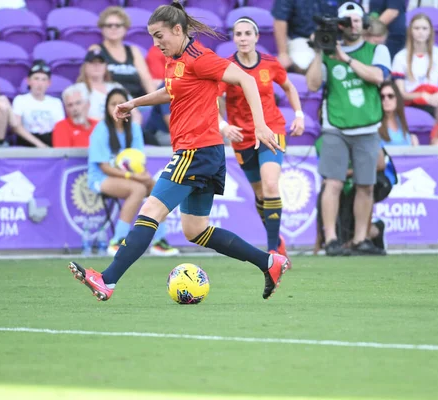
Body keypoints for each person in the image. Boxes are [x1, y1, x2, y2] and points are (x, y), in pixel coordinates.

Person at [67, 2, 289, 302]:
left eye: (160, 36)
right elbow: (170, 90)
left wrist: (261, 126)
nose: (156, 43)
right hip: (205, 152)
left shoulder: (200, 58)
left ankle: (107, 280)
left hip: (195, 150)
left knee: (150, 211)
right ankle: (269, 262)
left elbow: (247, 79)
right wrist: (134, 103)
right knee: (195, 230)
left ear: (177, 29)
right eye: (152, 37)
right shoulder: (176, 60)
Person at [306, 1, 390, 256]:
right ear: (340, 25)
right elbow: (311, 85)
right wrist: (320, 50)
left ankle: (360, 239)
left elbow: (378, 77)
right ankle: (331, 240)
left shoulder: (377, 50)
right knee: (333, 183)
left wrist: (345, 58)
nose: (353, 25)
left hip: (367, 127)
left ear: (364, 23)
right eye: (347, 21)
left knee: (366, 185)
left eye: (357, 20)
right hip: (336, 127)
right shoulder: (329, 51)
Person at [218, 16, 304, 260]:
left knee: (270, 185)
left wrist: (299, 115)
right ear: (234, 38)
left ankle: (273, 251)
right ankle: (277, 240)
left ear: (256, 37)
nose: (243, 38)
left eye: (248, 33)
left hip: (271, 130)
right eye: (238, 34)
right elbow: (215, 99)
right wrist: (223, 125)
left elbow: (289, 87)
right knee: (259, 194)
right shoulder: (227, 67)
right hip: (241, 136)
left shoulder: (270, 63)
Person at [87, 88, 179, 257]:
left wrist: (143, 175)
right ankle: (118, 240)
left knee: (159, 188)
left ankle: (159, 241)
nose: (117, 107)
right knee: (137, 189)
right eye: (113, 104)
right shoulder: (101, 129)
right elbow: (104, 167)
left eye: (120, 103)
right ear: (107, 107)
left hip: (131, 177)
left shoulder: (134, 129)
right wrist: (134, 176)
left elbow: (138, 160)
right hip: (101, 178)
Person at [391, 14, 438, 117]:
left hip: (435, 103)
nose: (420, 32)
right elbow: (401, 93)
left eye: (424, 28)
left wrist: (437, 95)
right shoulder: (400, 57)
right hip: (412, 105)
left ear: (430, 31)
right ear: (410, 31)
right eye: (416, 28)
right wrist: (422, 95)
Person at [271, 0, 352, 73]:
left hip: (335, 38)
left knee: (351, 62)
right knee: (303, 63)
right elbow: (280, 19)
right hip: (302, 39)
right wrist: (283, 53)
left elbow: (352, 14)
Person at [93, 6, 156, 98]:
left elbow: (146, 79)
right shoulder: (96, 49)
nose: (113, 28)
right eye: (109, 25)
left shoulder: (133, 51)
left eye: (118, 25)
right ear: (102, 28)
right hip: (110, 103)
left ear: (125, 29)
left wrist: (157, 103)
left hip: (137, 102)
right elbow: (94, 82)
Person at [72, 49, 141, 124]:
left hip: (121, 130)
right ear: (85, 66)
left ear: (105, 66)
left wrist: (133, 129)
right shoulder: (77, 90)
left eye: (100, 62)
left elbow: (135, 114)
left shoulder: (116, 86)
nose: (97, 66)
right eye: (92, 62)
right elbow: (78, 117)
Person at [12, 61, 64, 147]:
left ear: (49, 83)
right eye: (36, 79)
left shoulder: (56, 103)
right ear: (28, 81)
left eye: (44, 79)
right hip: (27, 142)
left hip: (50, 141)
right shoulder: (20, 100)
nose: (40, 83)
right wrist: (40, 145)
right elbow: (16, 127)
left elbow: (60, 128)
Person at [378, 80, 418, 146]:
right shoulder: (376, 124)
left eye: (390, 96)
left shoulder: (401, 120)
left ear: (397, 98)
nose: (386, 99)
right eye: (382, 97)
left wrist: (413, 138)